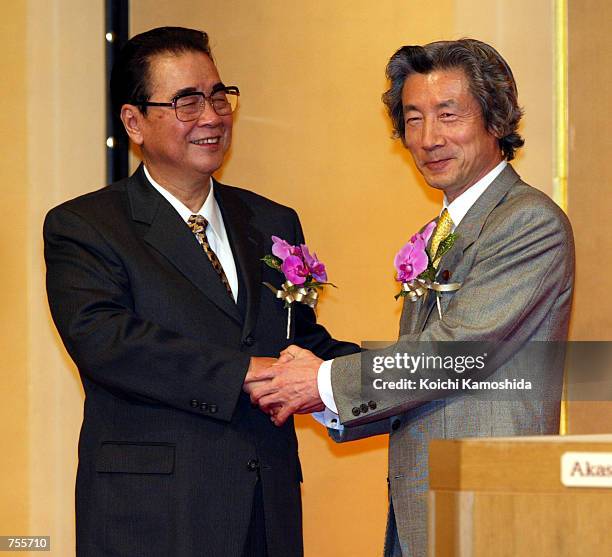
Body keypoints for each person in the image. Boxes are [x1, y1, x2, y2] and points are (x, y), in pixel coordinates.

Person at [244, 39, 575, 556]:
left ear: (496, 117)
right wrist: (325, 400)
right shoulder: (443, 229)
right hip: (425, 509)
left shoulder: (526, 222)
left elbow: (453, 353)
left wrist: (323, 382)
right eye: (413, 118)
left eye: (448, 114)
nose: (428, 138)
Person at [44, 26, 357, 557]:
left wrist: (384, 376)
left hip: (266, 506)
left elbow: (298, 344)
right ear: (133, 121)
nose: (211, 116)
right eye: (187, 102)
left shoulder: (271, 220)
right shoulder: (86, 225)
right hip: (153, 514)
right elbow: (107, 342)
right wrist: (245, 371)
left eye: (218, 96)